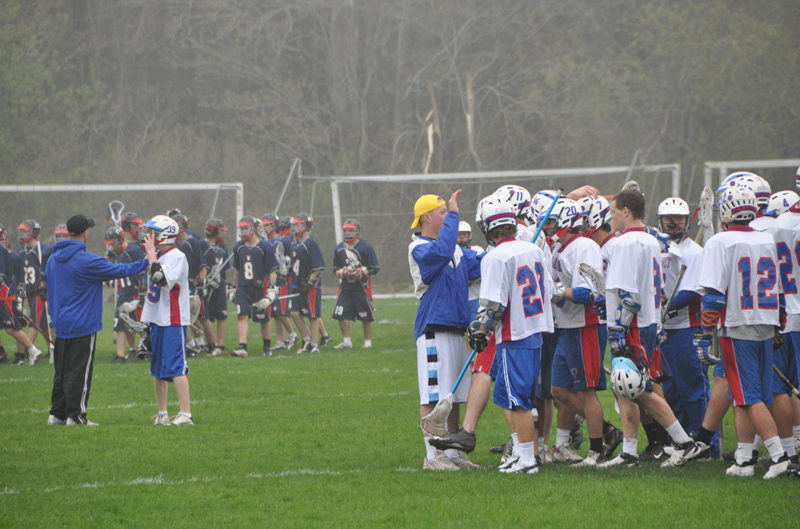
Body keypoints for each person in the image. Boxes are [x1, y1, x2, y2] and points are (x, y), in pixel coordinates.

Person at [599, 188, 702, 468]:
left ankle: (684, 442)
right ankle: (630, 451)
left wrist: (618, 329)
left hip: (632, 325)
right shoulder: (650, 241)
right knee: (624, 388)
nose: (612, 216)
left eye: (614, 211)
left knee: (639, 388)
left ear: (626, 211)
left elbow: (629, 296)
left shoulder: (625, 244)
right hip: (647, 321)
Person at [696, 185, 788, 478]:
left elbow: (712, 297)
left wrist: (702, 335)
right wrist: (778, 319)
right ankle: (745, 458)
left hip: (737, 325)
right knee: (746, 394)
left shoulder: (721, 241)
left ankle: (780, 456)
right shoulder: (767, 238)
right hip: (766, 321)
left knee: (748, 396)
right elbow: (780, 289)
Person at [467, 197, 555, 474]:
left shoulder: (495, 256)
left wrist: (482, 331)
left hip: (514, 334)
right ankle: (520, 452)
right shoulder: (533, 250)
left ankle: (528, 460)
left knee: (518, 401)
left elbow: (493, 306)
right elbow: (549, 291)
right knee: (506, 395)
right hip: (534, 332)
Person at [45, 214, 156, 426]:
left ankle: (57, 414)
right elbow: (119, 270)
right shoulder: (87, 260)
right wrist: (146, 261)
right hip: (82, 325)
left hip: (61, 324)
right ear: (85, 232)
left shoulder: (52, 259)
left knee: (62, 371)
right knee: (79, 372)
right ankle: (76, 417)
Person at [409, 191, 481, 471]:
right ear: (427, 217)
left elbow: (478, 264)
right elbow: (440, 253)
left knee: (454, 394)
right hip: (433, 329)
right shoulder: (419, 247)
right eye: (442, 213)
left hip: (456, 328)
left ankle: (451, 452)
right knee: (433, 395)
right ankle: (431, 456)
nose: (448, 217)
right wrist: (454, 214)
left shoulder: (453, 247)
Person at [543, 198, 609, 466]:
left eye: (551, 221)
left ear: (566, 221)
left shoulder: (584, 246)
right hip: (568, 325)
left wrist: (556, 292)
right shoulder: (561, 247)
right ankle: (604, 431)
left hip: (585, 325)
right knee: (558, 389)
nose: (547, 227)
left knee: (586, 391)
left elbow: (592, 291)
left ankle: (597, 450)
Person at [654, 197, 715, 458]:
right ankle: (680, 442)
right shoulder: (656, 248)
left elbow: (691, 291)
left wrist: (662, 310)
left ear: (687, 221)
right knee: (671, 390)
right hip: (662, 330)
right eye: (668, 219)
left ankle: (704, 445)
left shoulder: (695, 252)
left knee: (693, 388)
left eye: (678, 218)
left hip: (687, 328)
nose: (673, 223)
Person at [140, 215, 194, 426]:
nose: (147, 236)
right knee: (158, 369)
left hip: (173, 319)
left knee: (176, 367)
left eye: (151, 232)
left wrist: (152, 253)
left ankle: (185, 414)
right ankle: (162, 413)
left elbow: (158, 278)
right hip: (158, 319)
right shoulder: (159, 256)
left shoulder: (176, 256)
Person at [231, 216, 278, 357]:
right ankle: (242, 347)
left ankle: (267, 348)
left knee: (264, 318)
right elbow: (237, 270)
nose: (243, 232)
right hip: (243, 288)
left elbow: (272, 270)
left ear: (253, 229)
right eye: (242, 229)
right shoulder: (238, 246)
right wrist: (233, 287)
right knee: (242, 315)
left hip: (260, 288)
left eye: (246, 228)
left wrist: (272, 289)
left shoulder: (265, 247)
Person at [331, 219, 380, 349]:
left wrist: (363, 271)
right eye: (346, 231)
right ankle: (346, 341)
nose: (348, 233)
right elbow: (335, 269)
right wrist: (341, 272)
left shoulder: (365, 247)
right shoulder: (339, 248)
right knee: (340, 313)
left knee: (366, 315)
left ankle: (367, 342)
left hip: (361, 286)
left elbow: (375, 268)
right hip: (346, 286)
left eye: (351, 230)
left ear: (357, 232)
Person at [0, 222, 44, 366]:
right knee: (12, 326)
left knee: (12, 327)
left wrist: (19, 296)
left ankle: (32, 351)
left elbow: (4, 277)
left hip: (7, 295)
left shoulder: (6, 252)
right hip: (9, 294)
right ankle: (18, 355)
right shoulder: (17, 252)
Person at [290, 213, 331, 353]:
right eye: (294, 224)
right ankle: (306, 339)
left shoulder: (311, 243)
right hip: (296, 283)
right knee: (294, 312)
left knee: (313, 315)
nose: (295, 227)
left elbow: (318, 266)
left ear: (306, 226)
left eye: (298, 225)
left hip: (310, 285)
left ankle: (314, 345)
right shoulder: (295, 244)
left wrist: (310, 280)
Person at [105, 226, 145, 364]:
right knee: (120, 323)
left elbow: (144, 269)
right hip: (124, 293)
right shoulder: (116, 254)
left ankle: (146, 349)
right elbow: (107, 266)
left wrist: (143, 290)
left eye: (113, 243)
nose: (111, 246)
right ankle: (120, 356)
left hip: (136, 292)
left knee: (141, 324)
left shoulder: (133, 251)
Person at [171, 213, 209, 356]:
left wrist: (202, 282)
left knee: (194, 318)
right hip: (178, 285)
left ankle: (198, 344)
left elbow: (203, 265)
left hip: (191, 284)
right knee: (184, 317)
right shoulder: (173, 245)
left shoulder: (194, 243)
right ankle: (194, 345)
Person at [17, 219, 53, 355]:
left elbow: (47, 271)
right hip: (27, 291)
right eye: (21, 232)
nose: (22, 235)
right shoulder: (21, 250)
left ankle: (28, 351)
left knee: (35, 322)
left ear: (34, 233)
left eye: (26, 232)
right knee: (43, 324)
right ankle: (52, 348)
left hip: (39, 291)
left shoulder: (42, 250)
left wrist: (45, 288)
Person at [261, 213, 296, 351]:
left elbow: (293, 259)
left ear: (275, 225)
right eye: (264, 225)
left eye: (268, 225)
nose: (266, 228)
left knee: (281, 310)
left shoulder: (286, 241)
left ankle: (292, 335)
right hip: (270, 281)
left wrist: (288, 266)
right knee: (275, 313)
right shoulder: (265, 243)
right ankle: (280, 340)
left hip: (283, 280)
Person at [202, 218, 230, 357]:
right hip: (206, 287)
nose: (223, 234)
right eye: (220, 231)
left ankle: (220, 344)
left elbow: (224, 269)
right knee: (205, 316)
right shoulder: (202, 246)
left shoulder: (222, 247)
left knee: (221, 316)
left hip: (219, 286)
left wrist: (226, 285)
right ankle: (208, 343)